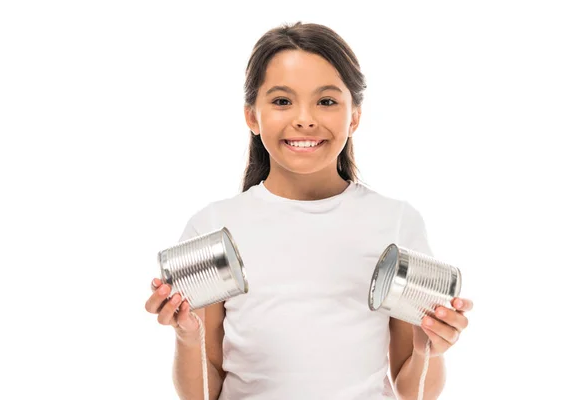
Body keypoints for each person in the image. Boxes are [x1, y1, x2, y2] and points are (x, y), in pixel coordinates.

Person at [144, 21, 473, 400]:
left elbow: (414, 392)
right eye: (282, 101)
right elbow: (200, 393)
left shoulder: (396, 223)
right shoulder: (214, 227)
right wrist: (188, 338)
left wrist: (427, 350)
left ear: (355, 116)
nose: (304, 118)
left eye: (327, 101)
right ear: (252, 115)